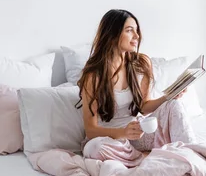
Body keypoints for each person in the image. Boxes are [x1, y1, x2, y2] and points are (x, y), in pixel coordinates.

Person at [77, 9, 193, 160]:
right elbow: (90, 130)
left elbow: (143, 107)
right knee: (96, 148)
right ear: (112, 35)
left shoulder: (141, 64)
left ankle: (192, 157)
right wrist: (123, 133)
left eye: (136, 31)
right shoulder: (93, 76)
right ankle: (143, 159)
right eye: (129, 30)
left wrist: (168, 96)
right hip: (108, 139)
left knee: (174, 105)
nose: (137, 36)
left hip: (136, 136)